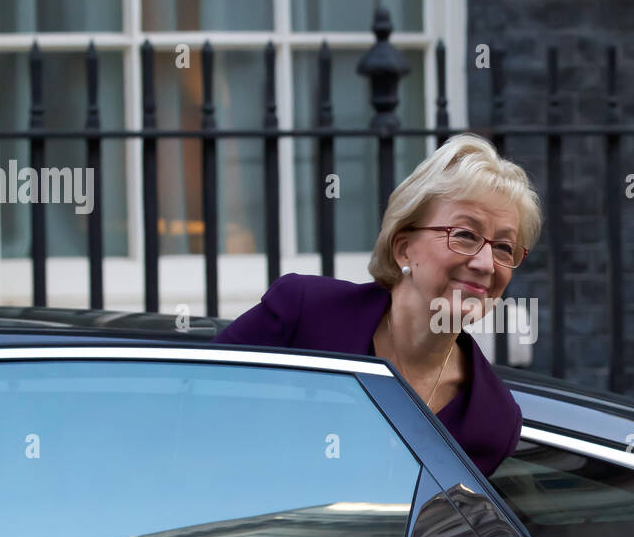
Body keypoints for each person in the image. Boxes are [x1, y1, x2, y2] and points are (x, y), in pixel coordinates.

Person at [213, 133, 542, 478]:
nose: (486, 264)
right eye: (464, 235)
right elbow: (187, 408)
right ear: (403, 249)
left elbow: (437, 530)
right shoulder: (301, 315)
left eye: (504, 247)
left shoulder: (491, 420)